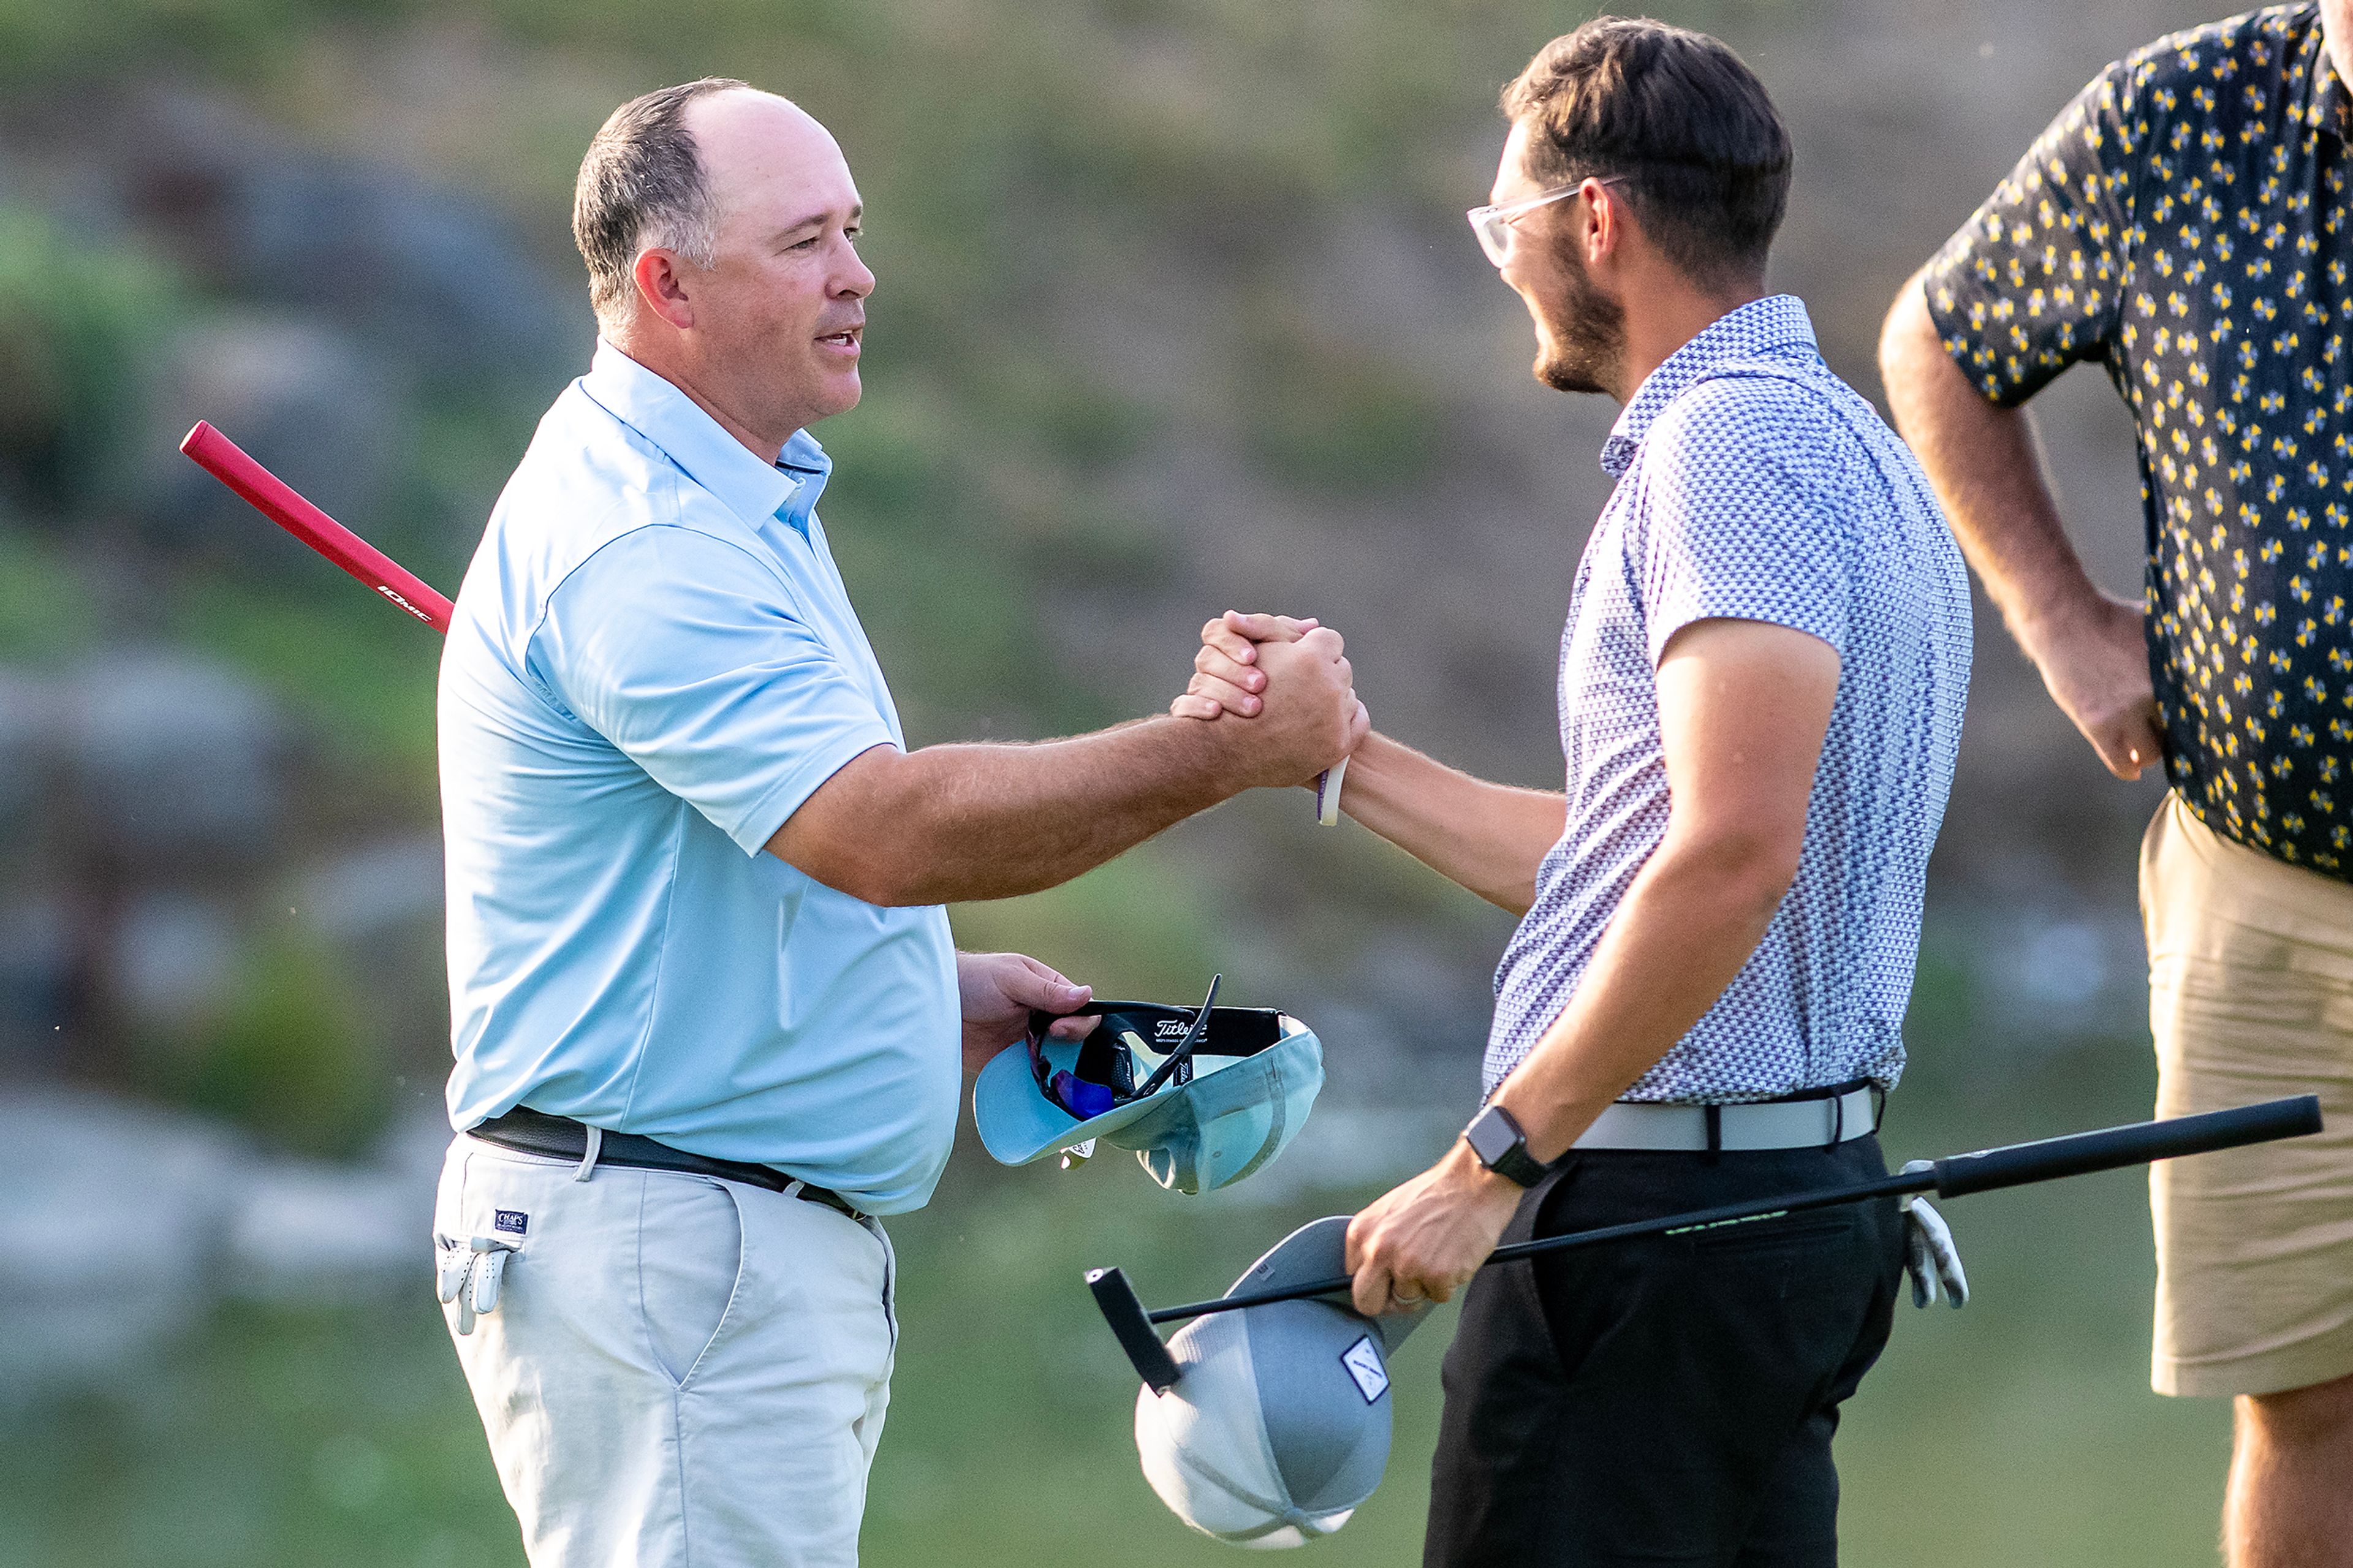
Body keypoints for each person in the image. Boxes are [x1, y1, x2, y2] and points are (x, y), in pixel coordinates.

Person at [430, 78, 1363, 1568]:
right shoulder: (650, 545)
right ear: (668, 283)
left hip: (700, 1238)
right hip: (675, 1250)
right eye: (806, 241)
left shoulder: (732, 500)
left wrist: (915, 987)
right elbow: (880, 829)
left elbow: (753, 868)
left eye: (854, 233)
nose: (858, 274)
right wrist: (1224, 753)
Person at [1181, 19, 1971, 1566]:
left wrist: (1491, 1164)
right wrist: (1339, 757)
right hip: (1780, 1218)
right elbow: (1652, 861)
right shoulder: (1850, 449)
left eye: (1506, 227)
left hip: (1648, 1230)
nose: (1505, 264)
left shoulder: (1724, 450)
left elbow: (1734, 856)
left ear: (1595, 218)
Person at [1877, 6, 2353, 1561]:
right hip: (2264, 888)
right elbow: (1939, 342)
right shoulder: (2183, 117)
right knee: (2302, 1394)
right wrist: (2064, 621)